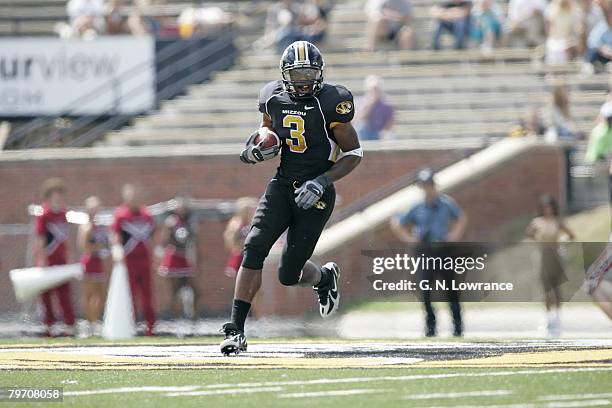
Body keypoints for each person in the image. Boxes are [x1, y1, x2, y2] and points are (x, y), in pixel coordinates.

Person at [220, 41, 362, 355]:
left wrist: (323, 180)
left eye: (309, 72)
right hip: (283, 184)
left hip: (318, 190)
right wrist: (256, 147)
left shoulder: (332, 101)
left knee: (288, 274)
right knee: (254, 246)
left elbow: (354, 152)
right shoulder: (272, 97)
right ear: (285, 74)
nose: (303, 79)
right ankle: (235, 330)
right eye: (297, 73)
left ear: (320, 72)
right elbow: (266, 130)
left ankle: (323, 277)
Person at [390, 168, 467, 337]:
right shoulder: (416, 206)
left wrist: (454, 235)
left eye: (430, 184)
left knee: (451, 289)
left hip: (443, 250)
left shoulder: (446, 203)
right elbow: (397, 222)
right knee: (425, 290)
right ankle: (430, 325)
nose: (427, 188)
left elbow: (460, 218)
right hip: (425, 252)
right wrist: (409, 239)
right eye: (424, 185)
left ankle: (458, 325)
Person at [525, 195, 575, 337]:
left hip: (556, 254)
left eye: (550, 207)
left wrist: (563, 242)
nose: (548, 210)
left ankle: (557, 316)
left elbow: (570, 235)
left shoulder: (557, 222)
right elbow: (529, 235)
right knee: (545, 287)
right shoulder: (537, 222)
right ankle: (548, 318)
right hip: (543, 256)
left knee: (556, 286)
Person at [110, 184, 157, 336]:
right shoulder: (120, 214)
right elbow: (115, 234)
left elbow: (152, 234)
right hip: (129, 259)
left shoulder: (146, 214)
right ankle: (131, 325)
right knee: (130, 294)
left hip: (144, 259)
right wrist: (117, 249)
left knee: (147, 294)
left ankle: (150, 326)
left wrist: (157, 252)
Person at [35, 178, 75, 337]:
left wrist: (69, 255)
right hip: (48, 259)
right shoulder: (44, 214)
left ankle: (69, 325)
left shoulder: (64, 213)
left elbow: (65, 238)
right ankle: (48, 326)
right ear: (49, 197)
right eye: (55, 196)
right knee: (46, 294)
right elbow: (40, 238)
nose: (58, 199)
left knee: (64, 292)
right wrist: (41, 258)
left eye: (60, 195)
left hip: (61, 259)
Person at [157, 197, 200, 320]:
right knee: (174, 290)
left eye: (183, 207)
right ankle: (173, 318)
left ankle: (193, 318)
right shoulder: (171, 221)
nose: (181, 210)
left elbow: (193, 241)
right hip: (174, 258)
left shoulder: (190, 222)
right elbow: (164, 240)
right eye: (179, 207)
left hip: (185, 257)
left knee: (193, 290)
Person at [77, 196, 109, 338]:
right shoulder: (86, 226)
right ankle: (89, 323)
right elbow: (84, 246)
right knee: (89, 293)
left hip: (98, 262)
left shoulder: (99, 226)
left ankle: (95, 322)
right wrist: (97, 247)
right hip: (90, 261)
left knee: (100, 294)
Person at [224, 197, 258, 278]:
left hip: (250, 255)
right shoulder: (237, 223)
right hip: (240, 255)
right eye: (250, 210)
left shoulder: (251, 223)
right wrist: (239, 245)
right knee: (240, 280)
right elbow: (230, 239)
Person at [355, 75, 395, 141]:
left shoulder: (386, 104)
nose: (375, 91)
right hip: (365, 132)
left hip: (379, 132)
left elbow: (391, 121)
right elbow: (359, 118)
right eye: (373, 89)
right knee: (361, 127)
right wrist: (371, 103)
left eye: (376, 88)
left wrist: (384, 132)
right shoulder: (362, 102)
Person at [544, 0, 583, 64]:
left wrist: (570, 40)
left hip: (570, 40)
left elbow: (576, 30)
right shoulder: (551, 9)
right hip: (556, 40)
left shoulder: (575, 10)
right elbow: (550, 31)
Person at [584, 0, 612, 71]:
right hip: (603, 56)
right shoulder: (601, 26)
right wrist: (602, 48)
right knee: (593, 53)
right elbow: (591, 42)